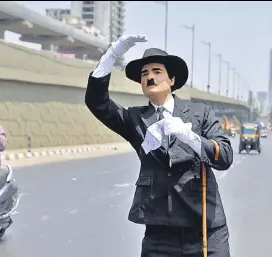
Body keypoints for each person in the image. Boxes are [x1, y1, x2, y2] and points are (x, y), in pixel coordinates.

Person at [85, 35, 233, 257]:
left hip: (204, 228)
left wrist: (189, 136)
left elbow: (225, 156)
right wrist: (112, 54)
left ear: (171, 80)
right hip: (159, 234)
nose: (149, 77)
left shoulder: (199, 113)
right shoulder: (134, 118)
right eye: (144, 74)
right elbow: (98, 102)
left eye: (156, 71)